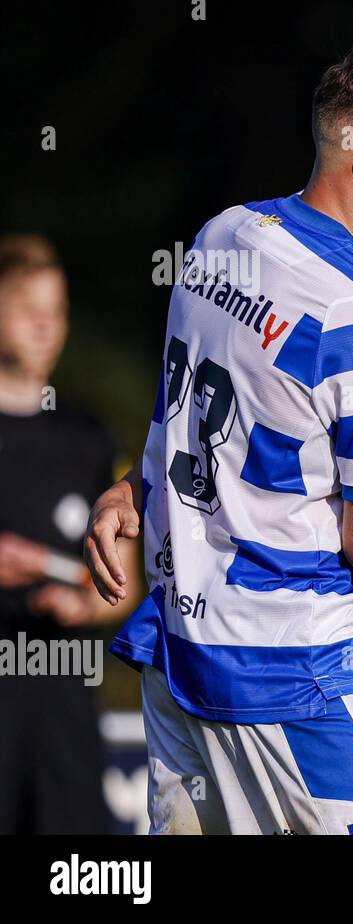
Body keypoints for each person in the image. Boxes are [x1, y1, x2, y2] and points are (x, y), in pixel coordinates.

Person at [83, 47, 353, 834]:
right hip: (292, 668)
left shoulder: (224, 233)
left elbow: (183, 409)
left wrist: (135, 487)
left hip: (180, 646)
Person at [0, 238, 141, 833]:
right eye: (26, 306)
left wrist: (84, 600)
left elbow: (123, 585)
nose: (44, 325)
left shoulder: (87, 439)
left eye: (55, 310)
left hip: (66, 722)